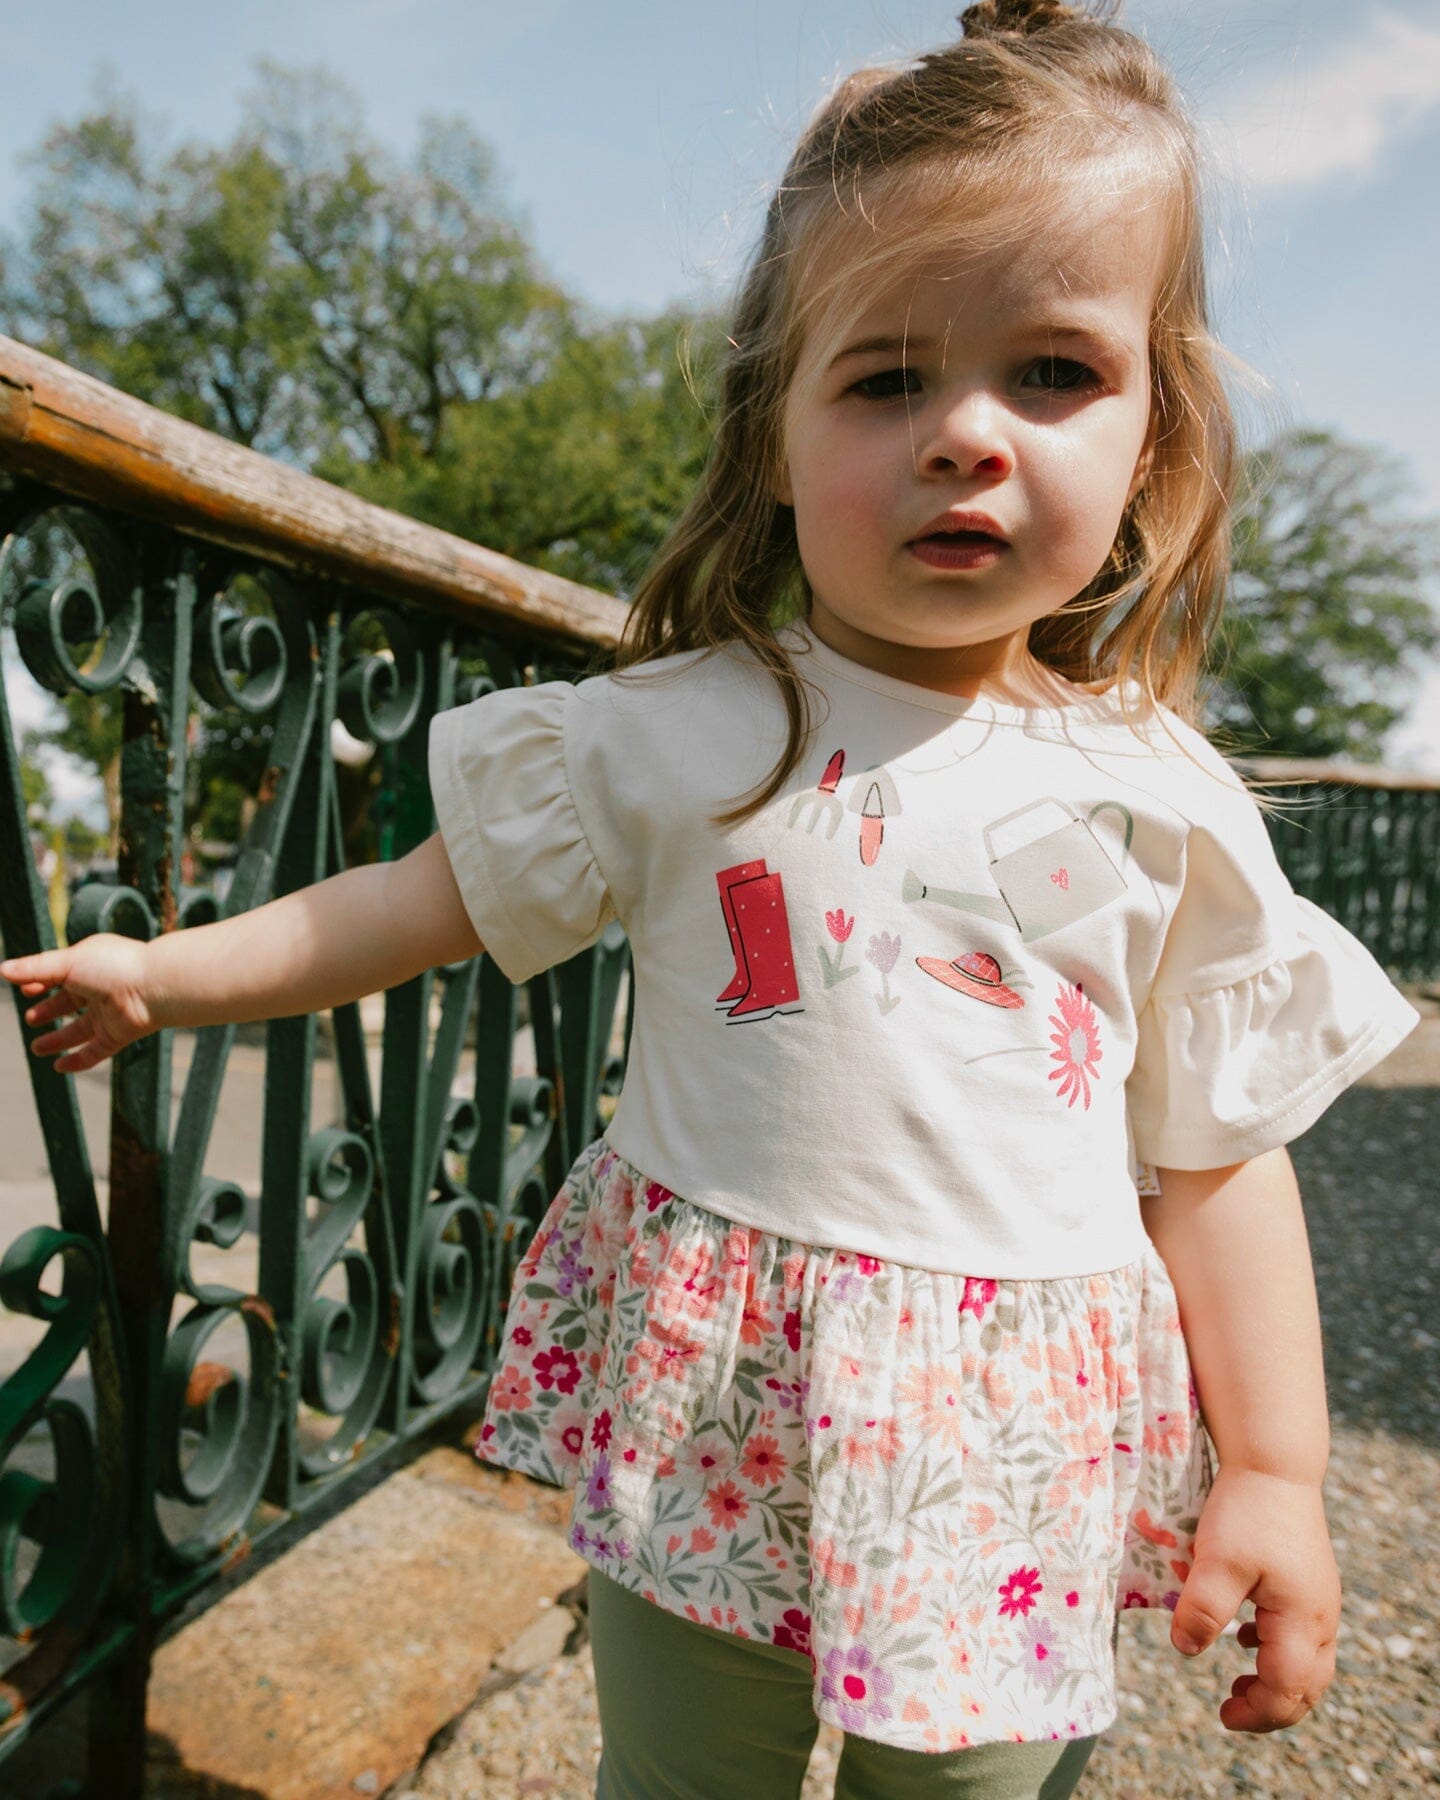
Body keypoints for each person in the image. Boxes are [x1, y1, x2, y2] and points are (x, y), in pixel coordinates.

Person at [2, 3, 1420, 1794]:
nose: (968, 435)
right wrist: (165, 972)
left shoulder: (1164, 800)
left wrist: (1279, 1468)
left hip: (1009, 1447)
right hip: (714, 1405)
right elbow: (404, 905)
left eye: (1052, 372)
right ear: (774, 436)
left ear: (1153, 439)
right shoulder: (679, 736)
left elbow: (1220, 1149)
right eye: (887, 377)